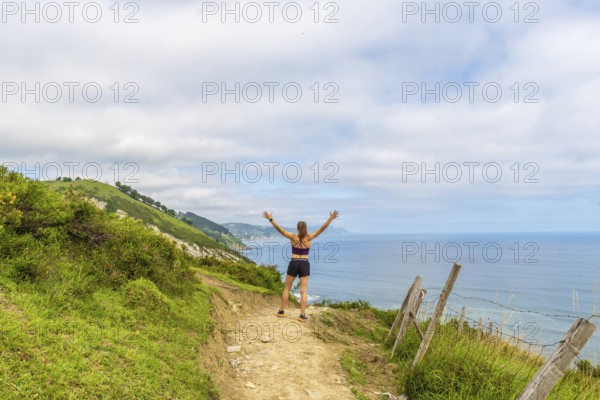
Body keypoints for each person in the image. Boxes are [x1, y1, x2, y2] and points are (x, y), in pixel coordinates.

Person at [262, 210, 340, 322]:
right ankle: (302, 315)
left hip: (294, 262)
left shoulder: (293, 237)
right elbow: (322, 229)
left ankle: (281, 311)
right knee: (303, 291)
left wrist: (270, 219)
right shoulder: (309, 238)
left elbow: (279, 229)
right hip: (304, 264)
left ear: (298, 228)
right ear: (306, 228)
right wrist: (331, 218)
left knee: (287, 288)